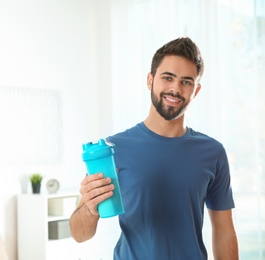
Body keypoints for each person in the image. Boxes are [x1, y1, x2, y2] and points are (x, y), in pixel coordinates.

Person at [69, 37, 239, 259]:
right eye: (167, 77)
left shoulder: (213, 152)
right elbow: (79, 234)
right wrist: (90, 208)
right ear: (150, 80)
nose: (175, 89)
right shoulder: (113, 149)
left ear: (196, 90)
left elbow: (224, 230)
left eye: (186, 82)